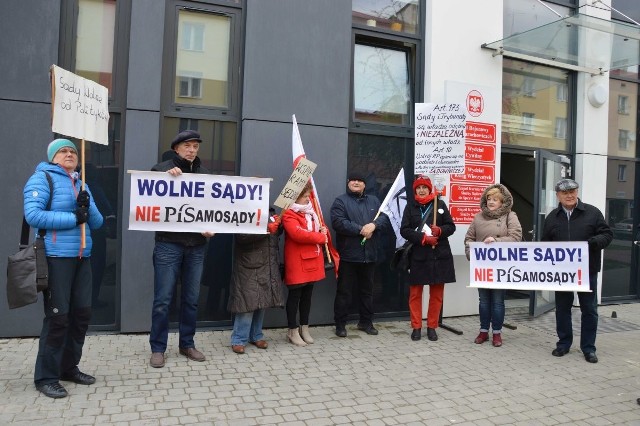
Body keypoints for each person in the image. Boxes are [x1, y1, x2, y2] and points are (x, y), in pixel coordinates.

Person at [24, 139, 103, 399]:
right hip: (57, 257)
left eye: (72, 151)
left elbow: (98, 222)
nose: (69, 154)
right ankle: (46, 377)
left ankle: (68, 368)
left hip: (83, 258)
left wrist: (86, 205)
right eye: (63, 151)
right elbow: (33, 216)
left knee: (81, 316)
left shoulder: (81, 182)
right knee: (58, 318)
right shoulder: (42, 178)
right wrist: (73, 217)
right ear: (52, 157)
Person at [149, 130, 215, 368]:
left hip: (196, 246)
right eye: (187, 146)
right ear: (176, 148)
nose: (192, 150)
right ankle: (158, 348)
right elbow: (150, 200)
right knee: (163, 300)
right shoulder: (161, 170)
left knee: (191, 299)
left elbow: (212, 208)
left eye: (195, 146)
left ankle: (187, 344)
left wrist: (211, 226)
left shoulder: (205, 174)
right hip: (168, 244)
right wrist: (166, 180)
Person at [542, 178, 612, 364]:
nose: (569, 195)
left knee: (589, 310)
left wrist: (595, 242)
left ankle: (588, 348)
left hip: (587, 270)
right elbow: (544, 244)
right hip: (561, 273)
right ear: (558, 195)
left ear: (577, 192)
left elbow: (607, 234)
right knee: (562, 309)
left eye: (572, 191)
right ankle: (564, 344)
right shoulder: (552, 217)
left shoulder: (592, 212)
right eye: (565, 192)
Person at [331, 171, 390, 337]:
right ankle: (340, 325)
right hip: (348, 255)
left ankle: (366, 322)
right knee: (344, 292)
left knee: (367, 291)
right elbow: (338, 222)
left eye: (359, 180)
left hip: (369, 255)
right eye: (353, 180)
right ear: (348, 182)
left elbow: (385, 217)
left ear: (364, 184)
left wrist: (374, 225)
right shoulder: (340, 201)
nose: (356, 182)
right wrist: (361, 230)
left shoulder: (373, 200)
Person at [464, 184, 522, 347]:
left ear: (502, 201)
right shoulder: (478, 217)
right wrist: (472, 254)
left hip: (501, 267)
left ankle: (497, 333)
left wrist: (496, 241)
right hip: (481, 267)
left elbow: (516, 238)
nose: (491, 202)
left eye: (495, 199)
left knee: (497, 301)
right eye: (489, 199)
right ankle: (483, 331)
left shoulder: (510, 216)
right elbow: (469, 239)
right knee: (483, 301)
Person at [400, 175, 456, 342]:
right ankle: (416, 327)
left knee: (437, 295)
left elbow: (451, 226)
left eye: (424, 187)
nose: (422, 190)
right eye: (418, 188)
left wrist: (440, 231)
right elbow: (404, 230)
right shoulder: (410, 207)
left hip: (439, 257)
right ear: (415, 190)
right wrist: (423, 238)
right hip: (418, 256)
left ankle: (432, 327)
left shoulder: (440, 204)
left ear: (429, 189)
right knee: (415, 294)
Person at [227, 207, 285, 354]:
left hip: (267, 263)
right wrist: (266, 228)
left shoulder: (271, 212)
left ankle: (256, 335)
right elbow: (242, 235)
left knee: (262, 301)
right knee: (248, 302)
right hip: (249, 263)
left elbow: (275, 233)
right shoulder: (243, 209)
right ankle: (239, 339)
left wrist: (280, 224)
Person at [282, 183, 328, 346]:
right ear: (296, 196)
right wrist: (320, 237)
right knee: (295, 296)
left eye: (309, 195)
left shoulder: (312, 213)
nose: (309, 198)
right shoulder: (288, 213)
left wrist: (323, 231)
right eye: (305, 196)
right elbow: (298, 234)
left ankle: (304, 327)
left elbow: (318, 231)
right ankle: (292, 330)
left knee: (307, 296)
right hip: (297, 260)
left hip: (313, 259)